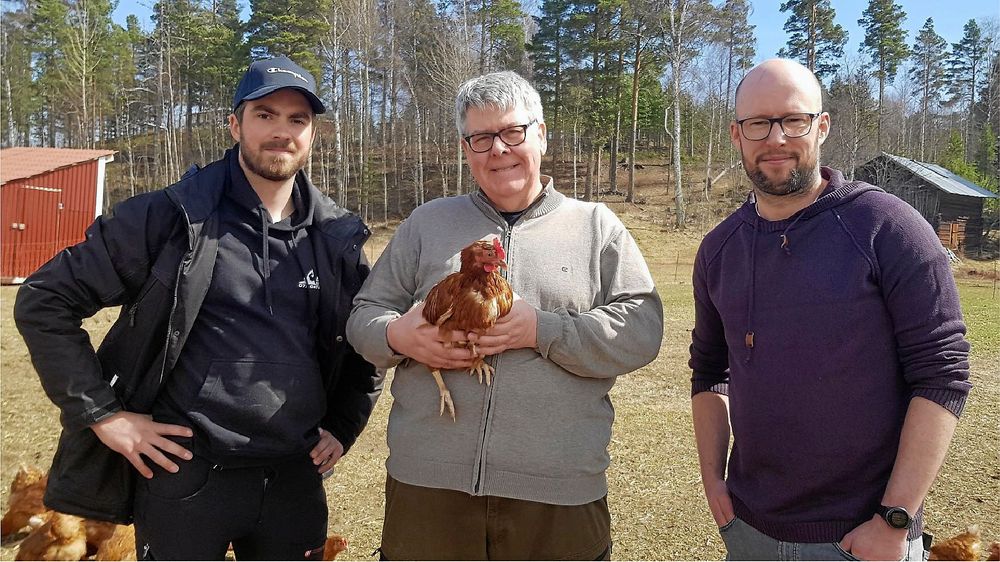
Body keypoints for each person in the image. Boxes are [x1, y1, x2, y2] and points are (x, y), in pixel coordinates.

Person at [14, 55, 381, 560]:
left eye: (297, 119)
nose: (282, 132)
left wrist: (342, 426)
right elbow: (45, 300)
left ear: (313, 132)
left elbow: (365, 339)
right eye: (265, 115)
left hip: (294, 479)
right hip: (185, 473)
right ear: (235, 124)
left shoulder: (336, 237)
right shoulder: (169, 217)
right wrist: (105, 416)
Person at [346, 70, 663, 560]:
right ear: (466, 148)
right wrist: (396, 336)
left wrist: (543, 329)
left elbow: (642, 331)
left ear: (540, 134)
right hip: (429, 487)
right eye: (481, 137)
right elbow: (363, 315)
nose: (499, 149)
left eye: (513, 132)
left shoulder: (596, 226)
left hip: (557, 492)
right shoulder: (427, 223)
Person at [689, 58, 972, 561]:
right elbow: (709, 371)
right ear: (736, 135)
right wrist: (714, 481)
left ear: (821, 126)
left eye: (792, 120)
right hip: (750, 532)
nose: (775, 138)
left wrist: (895, 518)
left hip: (863, 537)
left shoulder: (887, 228)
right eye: (758, 123)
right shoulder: (718, 250)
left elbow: (942, 375)